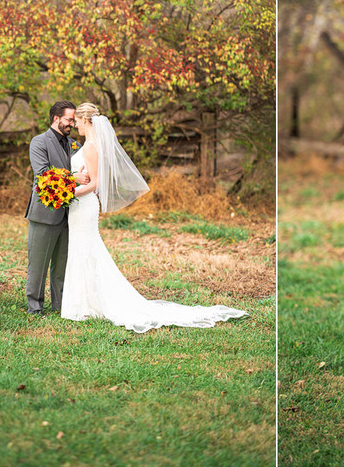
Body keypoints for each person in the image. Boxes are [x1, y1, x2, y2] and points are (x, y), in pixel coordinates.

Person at [60, 103, 248, 332]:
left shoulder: (90, 147)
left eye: (77, 121)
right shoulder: (91, 145)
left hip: (83, 204)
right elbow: (88, 178)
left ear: (85, 120)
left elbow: (97, 183)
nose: (75, 124)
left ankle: (87, 305)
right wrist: (73, 183)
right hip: (81, 206)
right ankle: (85, 303)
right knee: (83, 249)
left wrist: (68, 192)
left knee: (86, 248)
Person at [25, 101, 89, 315]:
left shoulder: (74, 144)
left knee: (61, 266)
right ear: (56, 118)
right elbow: (43, 175)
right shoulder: (39, 142)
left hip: (69, 214)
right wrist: (74, 177)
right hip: (44, 213)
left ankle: (60, 306)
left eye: (73, 120)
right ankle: (34, 308)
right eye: (69, 119)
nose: (72, 123)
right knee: (38, 265)